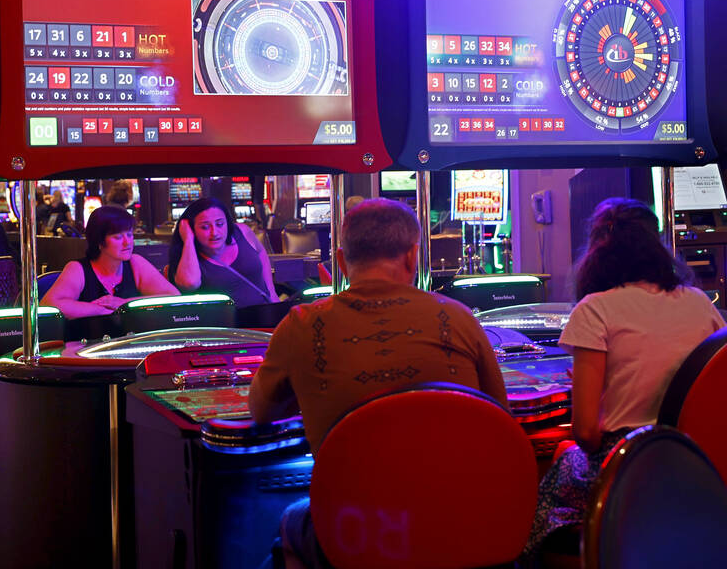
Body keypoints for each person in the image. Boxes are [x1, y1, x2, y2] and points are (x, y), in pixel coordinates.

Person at [249, 199, 507, 567]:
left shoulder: (301, 325)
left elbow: (260, 413)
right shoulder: (458, 318)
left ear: (339, 261)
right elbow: (499, 418)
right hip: (462, 520)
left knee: (292, 518)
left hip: (357, 531)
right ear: (412, 256)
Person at [524, 198, 724, 559]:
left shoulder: (595, 308)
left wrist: (593, 393)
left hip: (630, 465)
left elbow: (585, 434)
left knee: (555, 475)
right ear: (656, 246)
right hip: (699, 463)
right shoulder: (698, 302)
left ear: (597, 252)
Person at [41, 204, 177, 318]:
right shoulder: (78, 269)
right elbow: (48, 305)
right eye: (118, 237)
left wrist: (124, 303)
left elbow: (173, 297)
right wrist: (102, 310)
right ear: (99, 241)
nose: (127, 243)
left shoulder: (136, 263)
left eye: (129, 235)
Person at [168, 197, 278, 307]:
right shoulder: (189, 256)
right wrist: (188, 239)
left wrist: (272, 293)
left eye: (220, 224)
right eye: (205, 227)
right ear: (192, 229)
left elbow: (261, 253)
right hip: (224, 322)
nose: (215, 232)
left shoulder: (242, 231)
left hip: (264, 313)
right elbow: (190, 284)